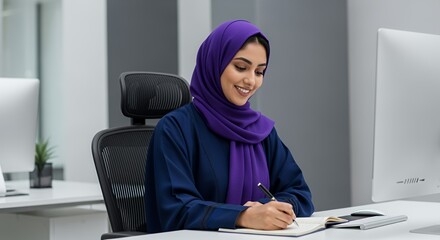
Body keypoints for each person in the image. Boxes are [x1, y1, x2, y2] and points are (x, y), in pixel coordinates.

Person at [144, 19, 314, 233]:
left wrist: (269, 210)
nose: (250, 81)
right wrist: (242, 216)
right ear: (215, 63)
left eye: (259, 72)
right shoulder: (175, 129)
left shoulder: (261, 131)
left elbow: (300, 193)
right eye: (241, 67)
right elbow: (176, 209)